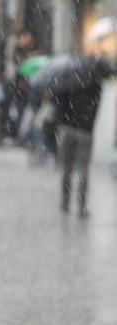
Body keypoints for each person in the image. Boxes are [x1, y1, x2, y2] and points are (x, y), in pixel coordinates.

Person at [53, 57, 111, 218]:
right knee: (83, 171)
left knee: (66, 169)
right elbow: (95, 110)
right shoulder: (95, 86)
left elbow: (58, 102)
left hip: (67, 130)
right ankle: (81, 206)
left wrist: (63, 121)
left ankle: (65, 202)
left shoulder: (68, 82)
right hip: (85, 132)